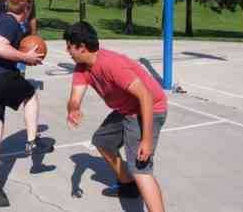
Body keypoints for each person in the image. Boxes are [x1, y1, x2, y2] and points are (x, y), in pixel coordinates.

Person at [63, 22, 168, 212]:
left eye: (69, 45)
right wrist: (73, 109)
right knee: (102, 141)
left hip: (149, 107)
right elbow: (75, 98)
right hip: (126, 109)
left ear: (81, 46)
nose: (67, 50)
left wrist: (146, 140)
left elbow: (146, 96)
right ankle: (128, 186)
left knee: (140, 168)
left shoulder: (111, 64)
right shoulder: (82, 67)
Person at [0, 0, 53, 207]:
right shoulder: (9, 22)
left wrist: (23, 58)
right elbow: (0, 48)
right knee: (30, 95)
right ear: (25, 8)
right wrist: (25, 56)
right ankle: (32, 141)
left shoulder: (4, 21)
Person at [0, 0, 37, 77]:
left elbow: (33, 17)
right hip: (10, 32)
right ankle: (9, 76)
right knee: (10, 55)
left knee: (22, 53)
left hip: (23, 31)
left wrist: (34, 34)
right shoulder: (4, 0)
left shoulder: (26, 1)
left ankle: (20, 77)